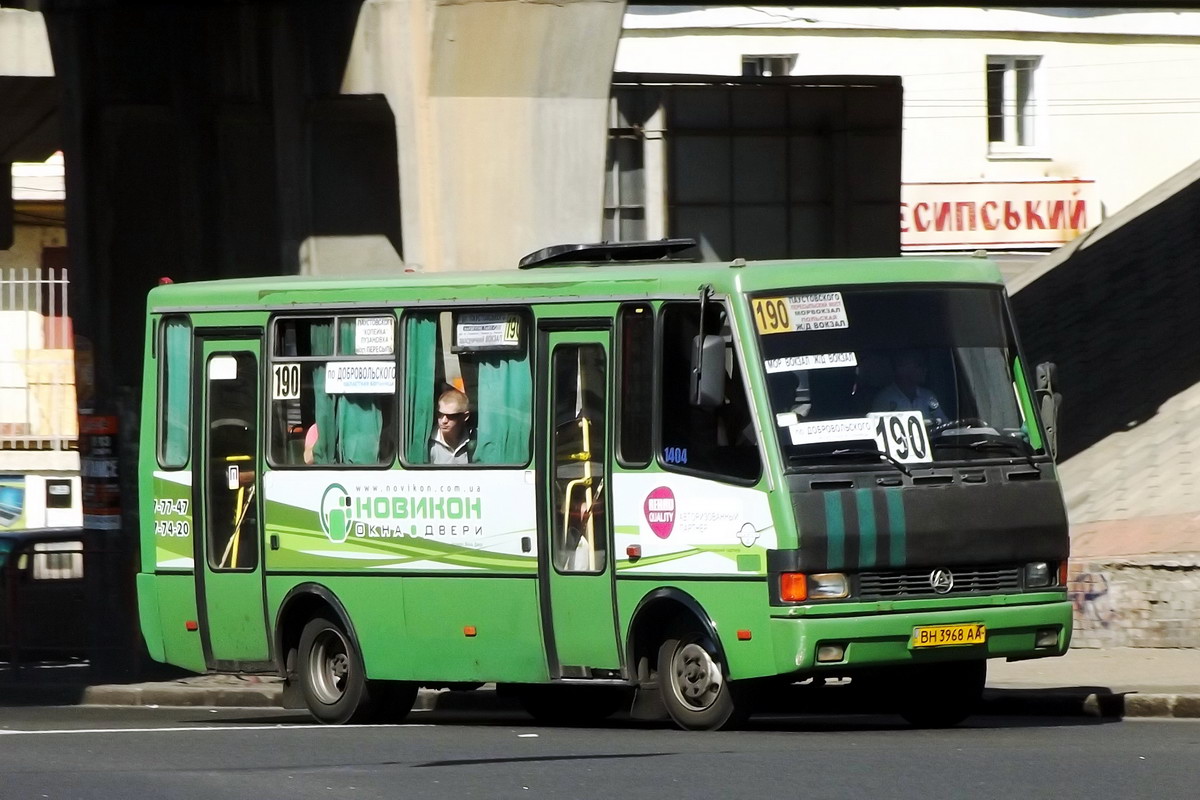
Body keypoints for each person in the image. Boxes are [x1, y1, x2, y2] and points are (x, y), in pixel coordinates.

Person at [871, 349, 946, 425]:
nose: (925, 369)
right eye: (919, 365)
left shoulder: (928, 396)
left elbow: (944, 423)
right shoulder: (884, 399)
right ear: (901, 368)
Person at [429, 387, 471, 464]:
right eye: (440, 414)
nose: (443, 421)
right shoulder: (427, 443)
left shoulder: (474, 441)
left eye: (451, 416)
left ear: (465, 417)